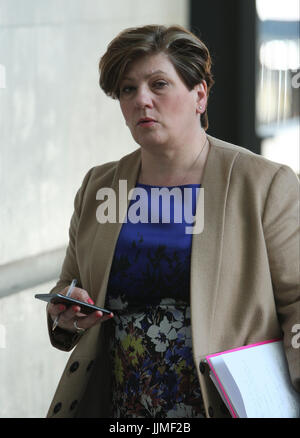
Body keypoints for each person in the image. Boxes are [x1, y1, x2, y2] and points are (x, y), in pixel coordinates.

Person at [46, 24, 300, 418]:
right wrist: (69, 311)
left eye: (158, 84)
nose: (141, 100)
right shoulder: (99, 186)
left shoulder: (265, 184)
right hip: (121, 406)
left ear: (199, 95)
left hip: (227, 405)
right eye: (128, 89)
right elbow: (71, 284)